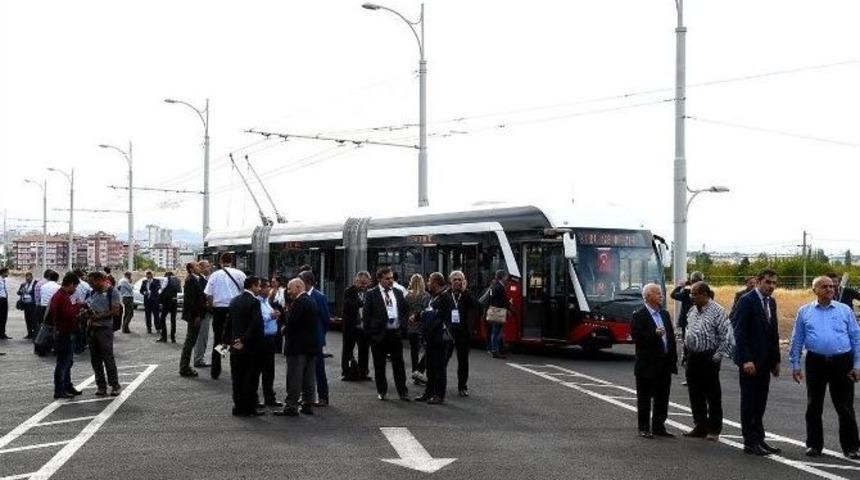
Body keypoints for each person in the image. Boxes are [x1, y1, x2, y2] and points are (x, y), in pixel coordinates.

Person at [789, 275, 860, 459]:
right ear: (815, 290)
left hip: (842, 362)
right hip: (815, 362)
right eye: (825, 286)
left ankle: (851, 447)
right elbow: (797, 340)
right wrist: (795, 364)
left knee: (845, 407)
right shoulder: (805, 312)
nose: (830, 289)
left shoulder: (845, 311)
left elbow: (856, 339)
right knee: (814, 406)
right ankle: (814, 445)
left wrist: (857, 365)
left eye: (832, 286)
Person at [733, 268, 781, 456]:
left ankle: (759, 439)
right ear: (759, 281)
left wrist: (776, 360)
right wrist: (746, 359)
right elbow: (739, 332)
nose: (771, 286)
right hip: (750, 362)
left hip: (765, 361)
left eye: (774, 283)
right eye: (768, 282)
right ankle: (750, 441)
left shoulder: (771, 302)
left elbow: (773, 333)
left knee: (760, 402)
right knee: (749, 402)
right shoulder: (746, 301)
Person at [683, 281, 733, 441]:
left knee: (712, 394)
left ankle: (714, 428)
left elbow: (726, 336)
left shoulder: (717, 311)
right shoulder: (692, 311)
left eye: (695, 294)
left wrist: (717, 356)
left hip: (709, 356)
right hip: (693, 356)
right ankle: (700, 425)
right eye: (691, 294)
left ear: (705, 294)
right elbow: (688, 331)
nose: (692, 297)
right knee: (695, 392)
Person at [631, 283, 678, 439]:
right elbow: (637, 339)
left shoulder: (664, 314)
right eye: (657, 293)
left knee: (662, 397)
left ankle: (659, 426)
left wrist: (673, 358)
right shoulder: (639, 315)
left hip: (664, 363)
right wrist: (654, 333)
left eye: (660, 293)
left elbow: (670, 337)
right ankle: (644, 427)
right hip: (647, 364)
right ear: (648, 296)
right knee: (644, 398)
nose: (661, 296)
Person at [363, 266, 410, 401]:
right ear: (379, 279)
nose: (390, 281)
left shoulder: (398, 292)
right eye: (387, 278)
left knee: (399, 365)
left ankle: (403, 391)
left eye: (392, 278)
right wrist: (370, 335)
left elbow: (405, 311)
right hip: (379, 335)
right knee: (379, 365)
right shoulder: (371, 294)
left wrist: (403, 327)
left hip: (395, 334)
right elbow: (366, 316)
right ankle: (382, 390)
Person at [274, 278, 320, 417]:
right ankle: (308, 404)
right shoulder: (311, 301)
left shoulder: (299, 302)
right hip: (310, 346)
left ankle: (291, 406)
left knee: (294, 377)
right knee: (309, 378)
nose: (288, 292)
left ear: (299, 287)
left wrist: (283, 329)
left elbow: (292, 323)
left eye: (289, 289)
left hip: (297, 347)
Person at [203, 253, 247, 380]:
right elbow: (245, 292)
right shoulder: (240, 274)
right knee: (236, 338)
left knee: (219, 339)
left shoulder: (214, 275)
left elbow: (209, 295)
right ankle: (237, 370)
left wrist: (212, 307)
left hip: (219, 310)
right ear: (232, 261)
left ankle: (216, 370)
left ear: (221, 261)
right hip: (235, 310)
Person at [228, 276, 265, 417]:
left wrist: (229, 342)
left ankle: (238, 407)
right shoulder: (254, 302)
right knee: (251, 378)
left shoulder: (234, 301)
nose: (260, 289)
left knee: (237, 378)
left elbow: (229, 324)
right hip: (250, 347)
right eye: (259, 286)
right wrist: (245, 339)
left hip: (235, 346)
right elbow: (255, 324)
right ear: (253, 286)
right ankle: (249, 408)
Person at [416, 272, 453, 404]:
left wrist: (425, 315)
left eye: (429, 281)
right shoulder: (430, 297)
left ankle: (439, 395)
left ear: (436, 282)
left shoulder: (445, 298)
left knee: (439, 368)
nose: (427, 283)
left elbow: (438, 317)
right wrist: (420, 316)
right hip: (429, 338)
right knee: (430, 368)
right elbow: (425, 312)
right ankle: (428, 393)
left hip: (440, 339)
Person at [85, 271, 123, 396]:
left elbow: (115, 311)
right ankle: (101, 386)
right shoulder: (92, 293)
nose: (90, 285)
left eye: (92, 282)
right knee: (95, 360)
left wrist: (98, 316)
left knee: (108, 358)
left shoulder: (112, 292)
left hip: (104, 330)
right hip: (92, 329)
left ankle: (115, 385)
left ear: (100, 280)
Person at [299, 270, 330, 407]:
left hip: (315, 338)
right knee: (303, 369)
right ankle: (306, 396)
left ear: (308, 282)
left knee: (318, 369)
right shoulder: (299, 296)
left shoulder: (319, 297)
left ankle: (323, 396)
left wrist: (320, 334)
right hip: (302, 339)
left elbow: (325, 318)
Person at [446, 270, 478, 397]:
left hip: (463, 333)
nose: (458, 282)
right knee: (444, 359)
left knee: (463, 362)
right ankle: (439, 385)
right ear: (450, 282)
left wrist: (465, 292)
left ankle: (462, 387)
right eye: (455, 280)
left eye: (460, 279)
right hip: (448, 332)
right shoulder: (446, 294)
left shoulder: (467, 295)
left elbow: (476, 306)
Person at [51, 272, 83, 399]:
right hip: (63, 332)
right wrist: (78, 307)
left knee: (68, 361)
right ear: (70, 284)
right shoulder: (61, 296)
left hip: (64, 331)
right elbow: (68, 314)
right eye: (74, 287)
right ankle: (59, 389)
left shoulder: (61, 295)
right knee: (63, 362)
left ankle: (67, 386)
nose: (74, 289)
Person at [342, 271, 372, 381]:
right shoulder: (349, 291)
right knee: (348, 349)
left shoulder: (370, 292)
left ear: (369, 282)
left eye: (365, 283)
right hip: (351, 326)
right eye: (361, 283)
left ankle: (363, 372)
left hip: (364, 327)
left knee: (364, 350)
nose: (363, 286)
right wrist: (362, 302)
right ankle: (346, 372)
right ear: (356, 281)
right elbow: (348, 305)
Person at [257, 279, 283, 407]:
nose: (269, 289)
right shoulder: (256, 302)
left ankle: (270, 398)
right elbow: (258, 319)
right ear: (259, 289)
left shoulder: (266, 301)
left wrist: (275, 315)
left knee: (269, 370)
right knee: (257, 370)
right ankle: (255, 399)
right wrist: (270, 317)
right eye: (267, 287)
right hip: (261, 339)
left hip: (270, 339)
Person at [180, 262, 205, 378]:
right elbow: (191, 301)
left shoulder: (195, 279)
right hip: (194, 316)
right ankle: (184, 367)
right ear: (191, 269)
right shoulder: (190, 280)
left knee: (191, 341)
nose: (198, 268)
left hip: (195, 315)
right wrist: (197, 315)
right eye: (196, 266)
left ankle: (185, 366)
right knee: (190, 342)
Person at [405, 274, 429, 384]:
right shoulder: (426, 296)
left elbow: (404, 311)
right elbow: (426, 311)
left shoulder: (408, 296)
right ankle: (419, 371)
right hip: (422, 326)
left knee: (414, 351)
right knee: (427, 350)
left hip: (411, 326)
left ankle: (415, 371)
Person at [671, 271, 704, 338]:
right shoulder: (705, 293)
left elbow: (673, 295)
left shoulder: (686, 292)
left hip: (686, 322)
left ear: (691, 280)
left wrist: (681, 286)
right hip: (700, 321)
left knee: (686, 341)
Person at [193, 260, 213, 368]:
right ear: (200, 267)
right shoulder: (200, 281)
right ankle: (198, 359)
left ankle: (199, 358)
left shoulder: (203, 280)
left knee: (203, 337)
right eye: (207, 267)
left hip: (204, 313)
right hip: (203, 314)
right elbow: (202, 299)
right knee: (202, 337)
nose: (209, 269)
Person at [487, 270, 509, 359]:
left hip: (494, 310)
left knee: (495, 331)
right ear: (503, 277)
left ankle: (495, 349)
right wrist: (508, 305)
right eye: (506, 277)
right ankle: (495, 350)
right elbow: (502, 300)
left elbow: (492, 299)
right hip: (498, 311)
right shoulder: (500, 287)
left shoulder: (494, 286)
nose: (507, 278)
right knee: (496, 331)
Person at [157, 271, 180, 343]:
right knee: (173, 320)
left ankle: (164, 337)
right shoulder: (177, 280)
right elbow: (179, 290)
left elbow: (162, 290)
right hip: (174, 301)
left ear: (167, 275)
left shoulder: (167, 279)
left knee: (162, 318)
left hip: (167, 301)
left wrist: (159, 297)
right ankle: (173, 338)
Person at [17, 272, 38, 339]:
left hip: (32, 304)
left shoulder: (35, 283)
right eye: (26, 277)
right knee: (27, 319)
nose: (27, 279)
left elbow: (36, 292)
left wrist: (28, 291)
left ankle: (35, 334)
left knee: (33, 320)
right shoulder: (23, 284)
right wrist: (21, 291)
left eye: (28, 277)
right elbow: (18, 292)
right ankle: (29, 334)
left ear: (32, 277)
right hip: (25, 304)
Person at [0, 268, 8, 340]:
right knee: (1, 317)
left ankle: (2, 333)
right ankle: (1, 334)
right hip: (1, 300)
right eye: (7, 272)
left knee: (4, 317)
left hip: (4, 300)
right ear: (3, 273)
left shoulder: (3, 280)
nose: (8, 274)